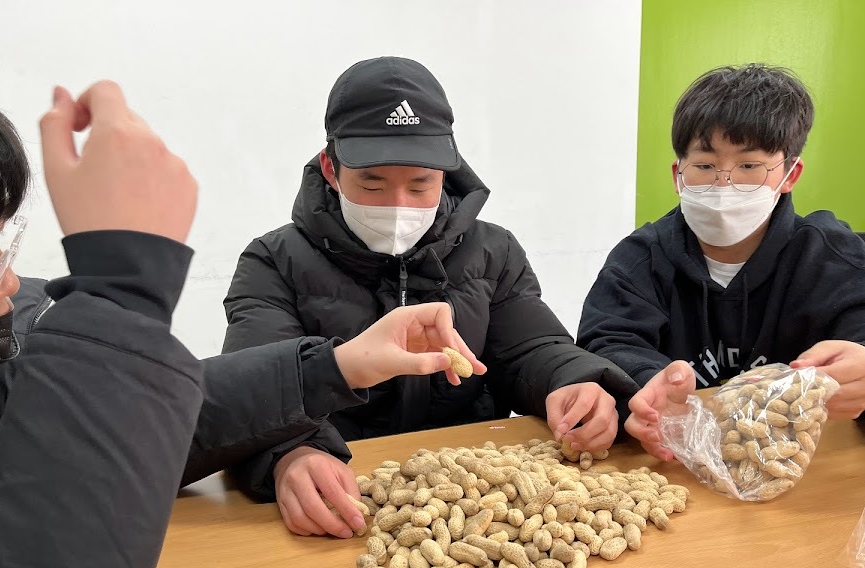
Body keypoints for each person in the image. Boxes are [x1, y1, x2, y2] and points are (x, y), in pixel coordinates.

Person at [0, 59, 480, 568]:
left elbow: (111, 429)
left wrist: (337, 367)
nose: (7, 280)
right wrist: (122, 292)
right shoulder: (274, 255)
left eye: (1, 245)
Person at [221, 56, 639, 537]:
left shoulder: (493, 250)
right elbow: (255, 387)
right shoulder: (273, 261)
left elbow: (530, 348)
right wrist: (290, 453)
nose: (398, 206)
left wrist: (573, 382)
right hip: (346, 492)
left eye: (421, 185)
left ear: (447, 173)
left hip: (471, 500)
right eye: (372, 183)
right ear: (330, 169)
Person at [576, 64, 865, 459]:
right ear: (678, 175)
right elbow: (607, 345)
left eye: (749, 166)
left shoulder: (830, 256)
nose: (724, 183)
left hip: (804, 466)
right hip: (676, 463)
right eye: (704, 166)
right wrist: (647, 384)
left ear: (790, 174)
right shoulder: (640, 259)